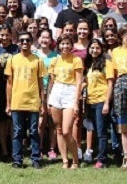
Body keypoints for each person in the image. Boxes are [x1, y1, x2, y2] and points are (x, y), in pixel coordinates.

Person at [5, 31, 47, 169]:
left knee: (34, 131)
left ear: (31, 42)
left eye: (27, 40)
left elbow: (42, 84)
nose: (24, 43)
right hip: (17, 101)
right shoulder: (12, 59)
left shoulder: (38, 60)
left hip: (33, 101)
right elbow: (9, 84)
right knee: (17, 131)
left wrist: (43, 102)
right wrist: (8, 103)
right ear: (18, 42)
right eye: (22, 40)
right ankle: (17, 159)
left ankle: (35, 158)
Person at [45, 35, 83, 169]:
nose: (65, 46)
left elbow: (79, 82)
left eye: (67, 44)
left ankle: (76, 159)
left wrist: (77, 102)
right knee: (59, 129)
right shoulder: (55, 60)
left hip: (70, 92)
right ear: (58, 45)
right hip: (56, 91)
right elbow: (51, 82)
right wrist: (48, 100)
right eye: (62, 44)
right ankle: (65, 160)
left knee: (67, 131)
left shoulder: (76, 60)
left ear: (71, 45)